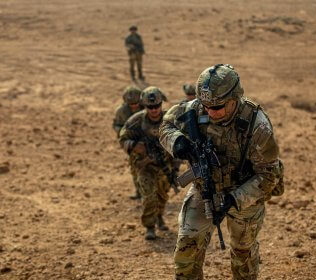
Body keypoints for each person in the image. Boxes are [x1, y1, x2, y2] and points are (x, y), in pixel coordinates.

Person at [159, 64, 284, 279]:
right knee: (186, 251)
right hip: (203, 190)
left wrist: (234, 199)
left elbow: (269, 175)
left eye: (217, 107)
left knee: (243, 253)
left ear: (235, 98)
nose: (209, 111)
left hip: (243, 193)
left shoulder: (257, 125)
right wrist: (176, 141)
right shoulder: (194, 109)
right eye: (206, 105)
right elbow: (165, 126)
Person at [119, 86, 175, 240]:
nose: (154, 110)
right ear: (145, 106)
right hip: (144, 166)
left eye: (157, 106)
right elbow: (122, 139)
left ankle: (159, 216)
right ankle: (150, 226)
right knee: (149, 196)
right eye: (150, 107)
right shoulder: (136, 121)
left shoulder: (169, 119)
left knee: (162, 196)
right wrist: (134, 146)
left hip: (164, 165)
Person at [113, 86, 144, 199]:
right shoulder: (121, 111)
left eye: (136, 103)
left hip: (148, 141)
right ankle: (139, 192)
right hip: (131, 144)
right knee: (135, 167)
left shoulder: (147, 107)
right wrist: (123, 133)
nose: (134, 106)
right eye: (131, 104)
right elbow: (116, 125)